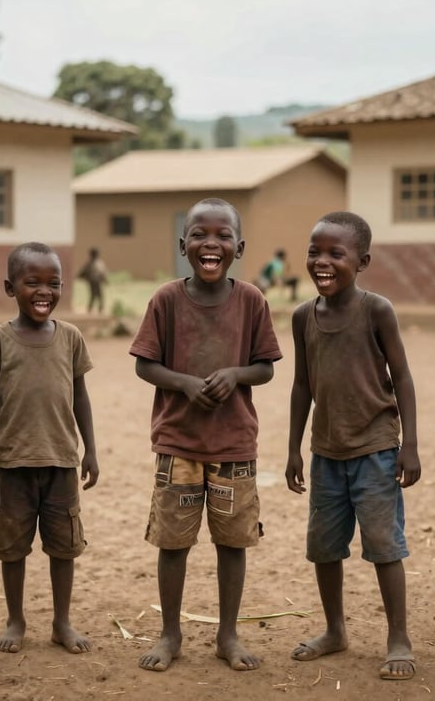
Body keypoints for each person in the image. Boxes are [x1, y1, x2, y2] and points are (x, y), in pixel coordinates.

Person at [130, 197, 282, 672]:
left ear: (239, 245)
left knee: (232, 542)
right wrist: (185, 384)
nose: (210, 243)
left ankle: (227, 635)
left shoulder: (252, 299)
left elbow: (265, 368)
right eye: (199, 235)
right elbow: (145, 364)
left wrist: (235, 375)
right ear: (183, 245)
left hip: (234, 443)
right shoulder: (166, 300)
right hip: (178, 444)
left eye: (221, 236)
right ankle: (170, 634)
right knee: (173, 543)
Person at [285, 211, 421, 681]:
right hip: (326, 452)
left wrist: (411, 445)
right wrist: (293, 448)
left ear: (362, 261)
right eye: (314, 252)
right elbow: (302, 384)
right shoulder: (303, 315)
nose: (321, 262)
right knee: (324, 548)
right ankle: (334, 629)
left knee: (384, 545)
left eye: (334, 254)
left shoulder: (377, 310)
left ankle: (398, 637)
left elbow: (401, 376)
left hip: (377, 449)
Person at [0, 242, 99, 655]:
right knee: (12, 546)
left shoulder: (71, 338)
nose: (44, 291)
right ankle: (16, 619)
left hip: (62, 460)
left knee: (64, 546)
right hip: (13, 463)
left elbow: (80, 397)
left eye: (54, 283)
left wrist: (91, 451)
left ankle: (62, 622)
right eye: (33, 283)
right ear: (11, 288)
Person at [78, 247, 108, 314]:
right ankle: (91, 308)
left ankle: (99, 308)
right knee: (94, 295)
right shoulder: (91, 263)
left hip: (97, 281)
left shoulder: (98, 262)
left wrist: (105, 279)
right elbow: (83, 272)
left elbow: (102, 272)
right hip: (93, 281)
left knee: (99, 295)